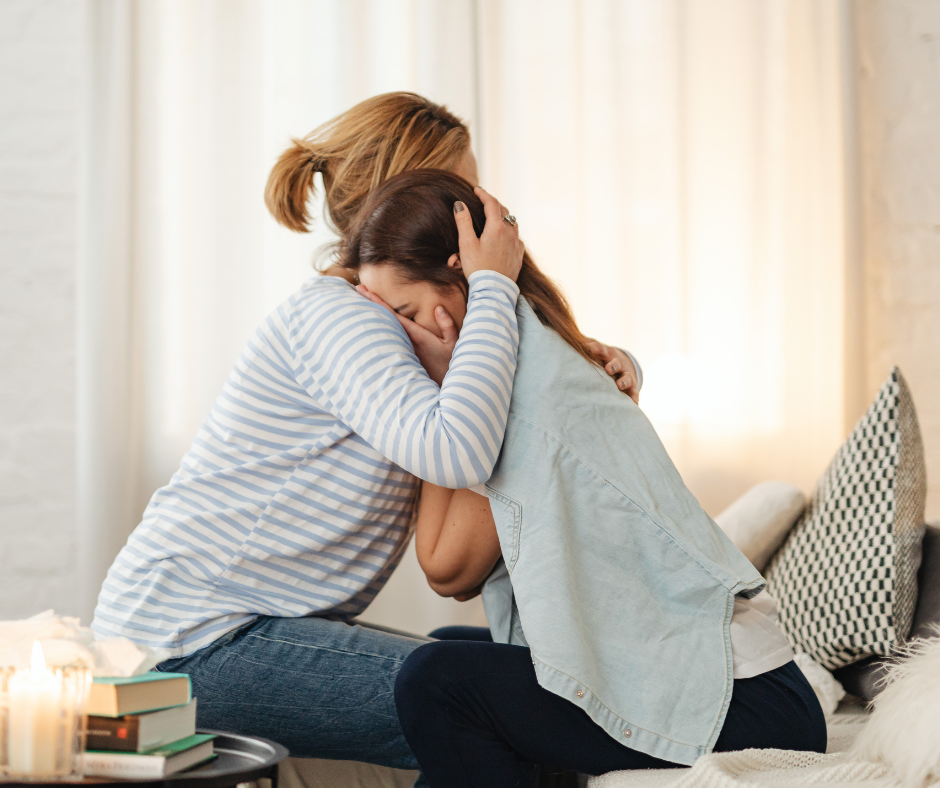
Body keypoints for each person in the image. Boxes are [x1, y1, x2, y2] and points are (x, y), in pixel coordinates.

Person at [90, 92, 640, 774]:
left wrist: (609, 363)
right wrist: (494, 285)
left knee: (481, 682)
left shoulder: (398, 324)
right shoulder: (342, 318)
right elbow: (458, 447)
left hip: (231, 631)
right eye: (462, 192)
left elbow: (501, 405)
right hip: (187, 643)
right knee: (485, 707)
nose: (478, 204)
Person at [341, 169, 828, 788]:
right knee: (447, 652)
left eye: (406, 313)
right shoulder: (525, 352)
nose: (399, 340)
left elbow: (446, 568)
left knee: (435, 680)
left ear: (462, 278)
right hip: (728, 689)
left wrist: (443, 391)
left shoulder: (523, 386)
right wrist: (448, 389)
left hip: (746, 702)